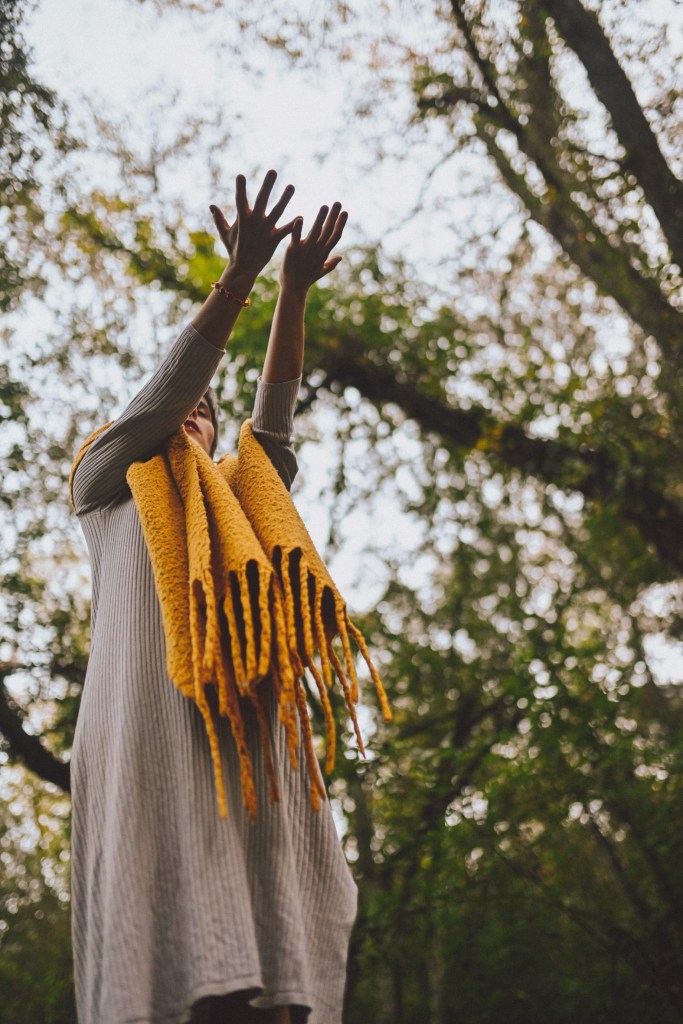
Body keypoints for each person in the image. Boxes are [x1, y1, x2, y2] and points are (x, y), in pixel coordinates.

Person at [70, 170, 357, 1024]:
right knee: (172, 952)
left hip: (243, 730)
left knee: (266, 960)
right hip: (147, 738)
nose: (193, 411)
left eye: (205, 407)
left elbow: (272, 420)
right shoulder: (104, 483)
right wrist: (236, 282)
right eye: (179, 403)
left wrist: (292, 293)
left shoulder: (240, 498)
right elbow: (164, 393)